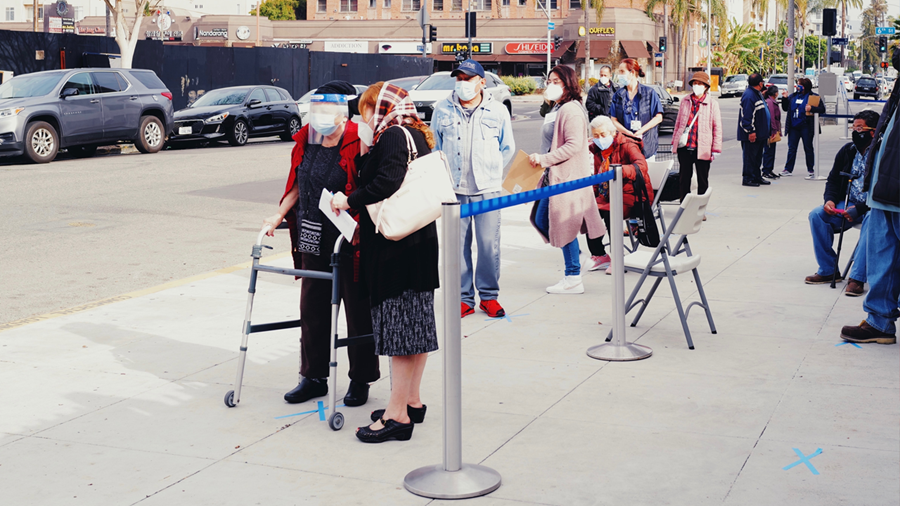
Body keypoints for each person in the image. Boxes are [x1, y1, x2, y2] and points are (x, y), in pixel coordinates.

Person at [330, 82, 440, 442]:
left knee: (399, 334)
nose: (361, 116)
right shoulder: (414, 132)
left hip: (397, 250)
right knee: (417, 328)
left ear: (378, 108)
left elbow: (386, 183)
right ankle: (411, 401)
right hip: (419, 243)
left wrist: (349, 200)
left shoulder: (392, 135)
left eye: (365, 109)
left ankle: (396, 417)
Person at [262, 81, 380, 407]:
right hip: (313, 234)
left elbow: (370, 186)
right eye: (317, 112)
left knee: (357, 309)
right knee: (312, 308)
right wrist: (277, 215)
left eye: (327, 112)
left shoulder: (360, 139)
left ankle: (360, 379)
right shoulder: (306, 142)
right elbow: (296, 184)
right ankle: (313, 377)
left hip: (349, 237)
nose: (321, 119)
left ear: (343, 115)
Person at [431, 59, 515, 319]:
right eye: (459, 79)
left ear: (481, 82)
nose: (463, 84)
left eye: (468, 79)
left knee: (489, 245)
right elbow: (435, 145)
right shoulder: (442, 109)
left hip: (487, 189)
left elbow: (507, 147)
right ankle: (463, 298)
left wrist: (491, 173)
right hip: (454, 190)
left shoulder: (498, 110)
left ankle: (489, 297)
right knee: (458, 247)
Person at [527, 65, 606, 294]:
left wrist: (544, 159)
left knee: (562, 224)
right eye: (548, 81)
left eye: (556, 81)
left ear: (568, 83)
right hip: (554, 176)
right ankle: (577, 259)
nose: (550, 85)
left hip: (566, 177)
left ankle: (573, 276)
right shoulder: (559, 107)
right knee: (543, 221)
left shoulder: (570, 109)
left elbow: (573, 145)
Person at [840, 46, 900, 345]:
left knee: (886, 256)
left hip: (894, 189)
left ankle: (880, 320)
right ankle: (879, 321)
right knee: (882, 257)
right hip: (884, 191)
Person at [804, 110, 879, 292]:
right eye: (854, 127)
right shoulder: (848, 151)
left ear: (874, 131)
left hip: (871, 207)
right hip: (846, 204)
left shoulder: (883, 154)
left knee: (871, 222)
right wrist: (829, 200)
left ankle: (857, 277)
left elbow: (886, 189)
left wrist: (860, 208)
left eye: (860, 128)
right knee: (817, 215)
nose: (855, 131)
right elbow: (833, 180)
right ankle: (829, 270)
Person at [586, 115, 652, 274]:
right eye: (596, 136)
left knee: (610, 212)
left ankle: (618, 258)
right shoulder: (597, 151)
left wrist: (618, 171)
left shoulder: (628, 145)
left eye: (603, 135)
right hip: (609, 194)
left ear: (612, 132)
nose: (600, 139)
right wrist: (593, 198)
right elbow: (597, 177)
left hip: (632, 195)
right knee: (588, 211)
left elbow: (642, 167)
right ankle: (599, 254)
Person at [670, 71, 722, 202]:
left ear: (705, 86)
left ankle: (700, 209)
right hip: (685, 146)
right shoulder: (685, 101)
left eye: (700, 84)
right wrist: (674, 142)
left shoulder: (712, 104)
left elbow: (717, 128)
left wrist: (716, 149)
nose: (696, 86)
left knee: (702, 180)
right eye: (695, 83)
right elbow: (678, 123)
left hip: (703, 148)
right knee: (684, 179)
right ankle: (684, 207)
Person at [609, 59, 664, 161]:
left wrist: (640, 131)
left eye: (622, 72)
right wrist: (626, 132)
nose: (619, 75)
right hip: (625, 145)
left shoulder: (649, 93)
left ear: (632, 72)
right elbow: (613, 119)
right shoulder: (618, 95)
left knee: (645, 175)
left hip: (646, 146)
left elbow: (658, 117)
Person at [780, 78, 826, 178]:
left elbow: (822, 109)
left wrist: (812, 109)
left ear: (805, 86)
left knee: (808, 148)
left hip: (806, 126)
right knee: (792, 148)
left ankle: (811, 169)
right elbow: (785, 108)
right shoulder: (793, 96)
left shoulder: (813, 97)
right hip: (793, 127)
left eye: (799, 85)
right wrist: (784, 98)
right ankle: (788, 169)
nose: (797, 86)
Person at [738, 73, 771, 187]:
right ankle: (748, 178)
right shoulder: (749, 96)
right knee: (750, 157)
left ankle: (756, 176)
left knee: (757, 157)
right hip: (752, 134)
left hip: (760, 134)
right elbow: (746, 117)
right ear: (760, 83)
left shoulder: (757, 94)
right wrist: (751, 131)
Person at [762, 85, 783, 179]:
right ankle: (766, 170)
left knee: (772, 150)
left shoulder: (773, 101)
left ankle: (770, 169)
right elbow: (772, 118)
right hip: (770, 130)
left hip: (773, 129)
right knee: (769, 150)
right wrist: (774, 130)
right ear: (775, 93)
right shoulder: (770, 102)